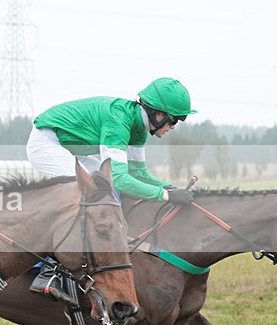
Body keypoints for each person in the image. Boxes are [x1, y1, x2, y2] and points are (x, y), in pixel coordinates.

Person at [25, 77, 197, 298]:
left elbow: (138, 173)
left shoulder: (138, 127)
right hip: (47, 143)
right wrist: (164, 195)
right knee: (82, 195)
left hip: (72, 150)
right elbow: (120, 179)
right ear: (158, 114)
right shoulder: (119, 120)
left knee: (103, 191)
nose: (173, 127)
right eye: (174, 120)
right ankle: (46, 271)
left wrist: (170, 188)